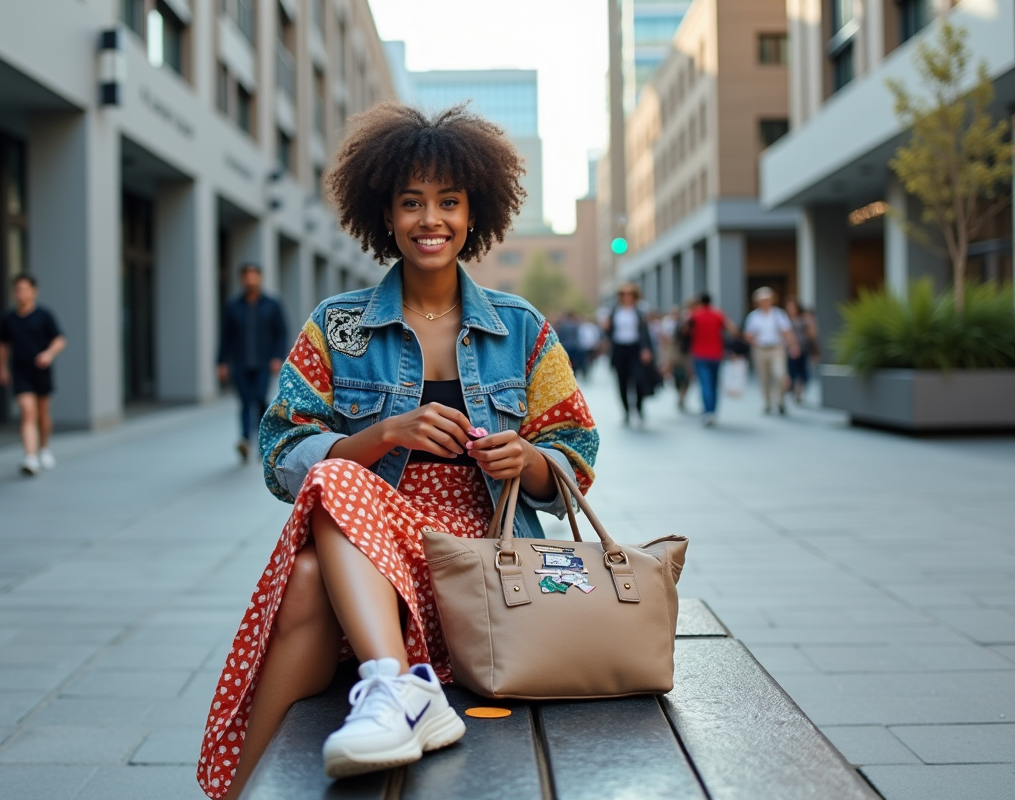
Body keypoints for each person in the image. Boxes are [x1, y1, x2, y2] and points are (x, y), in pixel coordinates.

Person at [197, 103, 599, 800]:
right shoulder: (339, 325)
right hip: (373, 569)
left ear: (475, 213)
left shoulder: (521, 327)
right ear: (385, 214)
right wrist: (381, 435)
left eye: (448, 201)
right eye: (411, 203)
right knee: (331, 495)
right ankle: (387, 691)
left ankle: (388, 694)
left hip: (481, 569)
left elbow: (576, 450)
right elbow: (280, 448)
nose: (430, 219)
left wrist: (526, 462)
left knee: (311, 561)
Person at [217, 264, 289, 462]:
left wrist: (277, 357)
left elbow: (281, 333)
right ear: (242, 279)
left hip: (264, 363)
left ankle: (262, 440)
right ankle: (244, 440)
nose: (250, 280)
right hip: (240, 363)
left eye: (253, 276)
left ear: (259, 278)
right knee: (245, 401)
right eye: (246, 277)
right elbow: (226, 336)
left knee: (259, 399)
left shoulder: (271, 305)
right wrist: (221, 362)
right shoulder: (233, 306)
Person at [0, 274, 66, 476]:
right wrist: (1, 368)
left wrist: (49, 354)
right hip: (20, 371)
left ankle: (44, 449)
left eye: (24, 289)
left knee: (43, 415)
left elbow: (60, 339)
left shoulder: (44, 316)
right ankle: (30, 457)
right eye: (17, 289)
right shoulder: (8, 318)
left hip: (41, 370)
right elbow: (2, 345)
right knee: (28, 413)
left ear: (34, 291)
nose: (20, 293)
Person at [743, 287, 800, 415]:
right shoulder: (754, 316)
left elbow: (787, 332)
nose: (765, 302)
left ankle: (780, 401)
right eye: (763, 300)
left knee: (780, 375)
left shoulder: (779, 314)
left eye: (768, 299)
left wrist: (793, 345)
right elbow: (748, 334)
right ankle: (767, 403)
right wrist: (754, 341)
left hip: (776, 348)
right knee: (764, 377)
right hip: (760, 349)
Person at [607, 283, 654, 427]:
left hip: (635, 349)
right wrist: (606, 328)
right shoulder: (615, 311)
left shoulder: (639, 311)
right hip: (620, 349)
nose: (627, 297)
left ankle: (639, 408)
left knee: (638, 380)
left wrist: (646, 349)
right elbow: (609, 333)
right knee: (622, 381)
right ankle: (626, 411)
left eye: (630, 294)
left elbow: (645, 332)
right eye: (624, 294)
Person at [687, 292, 738, 426]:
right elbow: (733, 329)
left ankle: (707, 411)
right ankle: (713, 411)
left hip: (699, 353)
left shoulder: (695, 315)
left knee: (705, 383)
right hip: (716, 354)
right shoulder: (718, 314)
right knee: (714, 384)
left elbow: (685, 331)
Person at [783, 297, 818, 404]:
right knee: (789, 372)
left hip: (803, 348)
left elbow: (812, 335)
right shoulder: (784, 319)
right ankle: (790, 391)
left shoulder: (803, 319)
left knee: (802, 372)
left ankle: (799, 393)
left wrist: (811, 321)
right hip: (788, 350)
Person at [660, 303, 692, 411]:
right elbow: (663, 337)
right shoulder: (667, 322)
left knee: (686, 376)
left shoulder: (684, 323)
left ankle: (682, 396)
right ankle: (679, 391)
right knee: (675, 374)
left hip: (684, 352)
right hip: (672, 352)